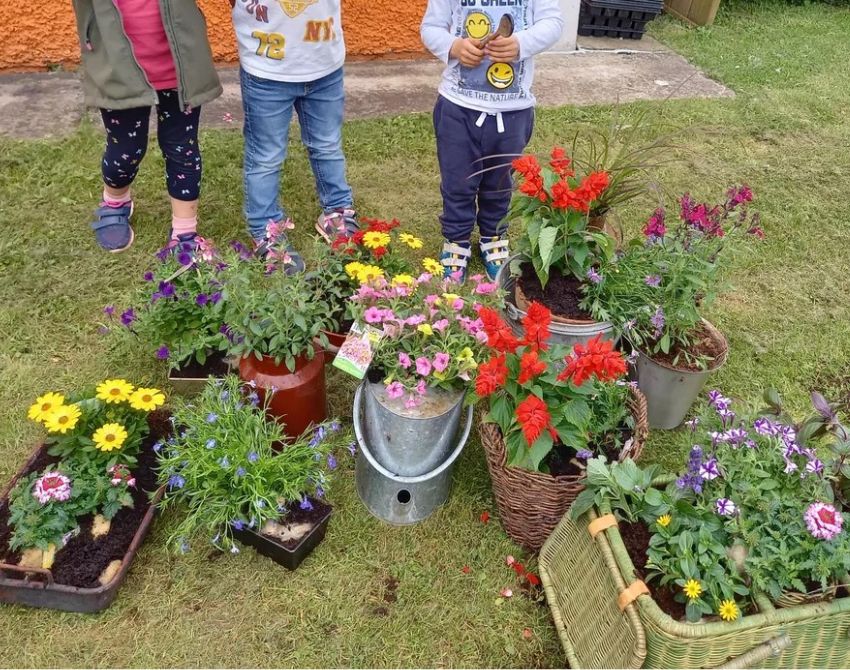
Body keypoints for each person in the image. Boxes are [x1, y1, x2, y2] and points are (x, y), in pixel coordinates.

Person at [421, 0, 563, 281]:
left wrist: (521, 43)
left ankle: (493, 237)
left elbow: (553, 23)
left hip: (512, 111)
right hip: (458, 107)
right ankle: (456, 241)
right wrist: (454, 46)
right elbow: (430, 28)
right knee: (457, 182)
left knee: (499, 182)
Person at [74, 0, 222, 254]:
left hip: (180, 66)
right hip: (117, 68)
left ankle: (184, 230)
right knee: (126, 150)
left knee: (182, 149)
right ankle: (115, 202)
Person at [231, 0, 358, 271]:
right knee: (266, 156)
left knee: (327, 145)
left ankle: (336, 210)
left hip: (324, 65)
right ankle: (265, 228)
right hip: (266, 70)